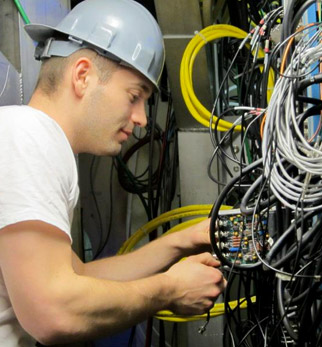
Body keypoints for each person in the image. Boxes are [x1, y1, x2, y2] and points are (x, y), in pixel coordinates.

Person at [0, 0, 224, 345]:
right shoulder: (28, 135)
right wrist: (170, 289)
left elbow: (78, 276)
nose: (142, 119)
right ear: (83, 75)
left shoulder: (25, 138)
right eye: (134, 96)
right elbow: (53, 311)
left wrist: (183, 240)